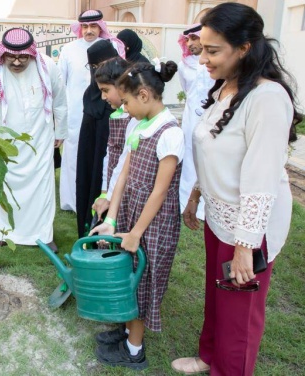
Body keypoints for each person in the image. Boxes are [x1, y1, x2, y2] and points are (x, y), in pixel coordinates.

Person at [171, 3, 299, 375]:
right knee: (218, 297)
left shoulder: (268, 98)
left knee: (240, 317)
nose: (203, 58)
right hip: (219, 216)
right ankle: (209, 356)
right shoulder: (227, 86)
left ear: (244, 48)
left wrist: (246, 246)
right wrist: (197, 191)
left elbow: (261, 179)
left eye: (213, 51)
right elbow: (216, 150)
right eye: (202, 48)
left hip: (248, 229)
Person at [90, 61, 183, 370]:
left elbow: (159, 192)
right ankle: (127, 331)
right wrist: (112, 220)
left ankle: (134, 351)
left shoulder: (170, 134)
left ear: (144, 95)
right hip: (132, 217)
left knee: (140, 284)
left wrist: (136, 232)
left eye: (126, 101)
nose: (124, 109)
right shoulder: (142, 126)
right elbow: (123, 176)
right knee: (126, 274)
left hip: (152, 226)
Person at [0, 28, 67, 251]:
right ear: (2, 54)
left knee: (43, 187)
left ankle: (43, 234)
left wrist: (60, 131)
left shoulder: (47, 66)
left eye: (22, 57)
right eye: (10, 57)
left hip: (40, 138)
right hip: (7, 141)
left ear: (31, 53)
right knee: (5, 184)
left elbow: (60, 101)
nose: (15, 62)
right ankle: (4, 233)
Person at [57, 9, 125, 212]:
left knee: (101, 156)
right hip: (75, 112)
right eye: (85, 26)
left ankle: (97, 198)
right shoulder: (68, 49)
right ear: (80, 28)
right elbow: (61, 83)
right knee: (73, 157)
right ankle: (72, 201)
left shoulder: (111, 47)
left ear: (100, 26)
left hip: (105, 111)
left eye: (93, 26)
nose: (89, 30)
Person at [75, 39, 117, 238]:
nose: (95, 71)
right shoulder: (91, 93)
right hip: (89, 155)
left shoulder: (120, 97)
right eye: (92, 67)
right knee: (86, 189)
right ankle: (85, 235)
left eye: (99, 66)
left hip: (111, 157)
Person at [91, 56, 137, 221]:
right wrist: (105, 192)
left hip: (128, 194)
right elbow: (110, 157)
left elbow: (124, 163)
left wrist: (109, 195)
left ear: (121, 86)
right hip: (114, 190)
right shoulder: (117, 115)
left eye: (105, 90)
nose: (103, 97)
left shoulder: (135, 119)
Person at [177, 24, 214, 220]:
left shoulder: (213, 62)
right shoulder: (184, 65)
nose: (191, 43)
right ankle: (185, 201)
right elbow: (187, 90)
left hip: (213, 117)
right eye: (187, 40)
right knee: (189, 159)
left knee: (210, 158)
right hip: (191, 119)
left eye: (194, 38)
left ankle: (207, 206)